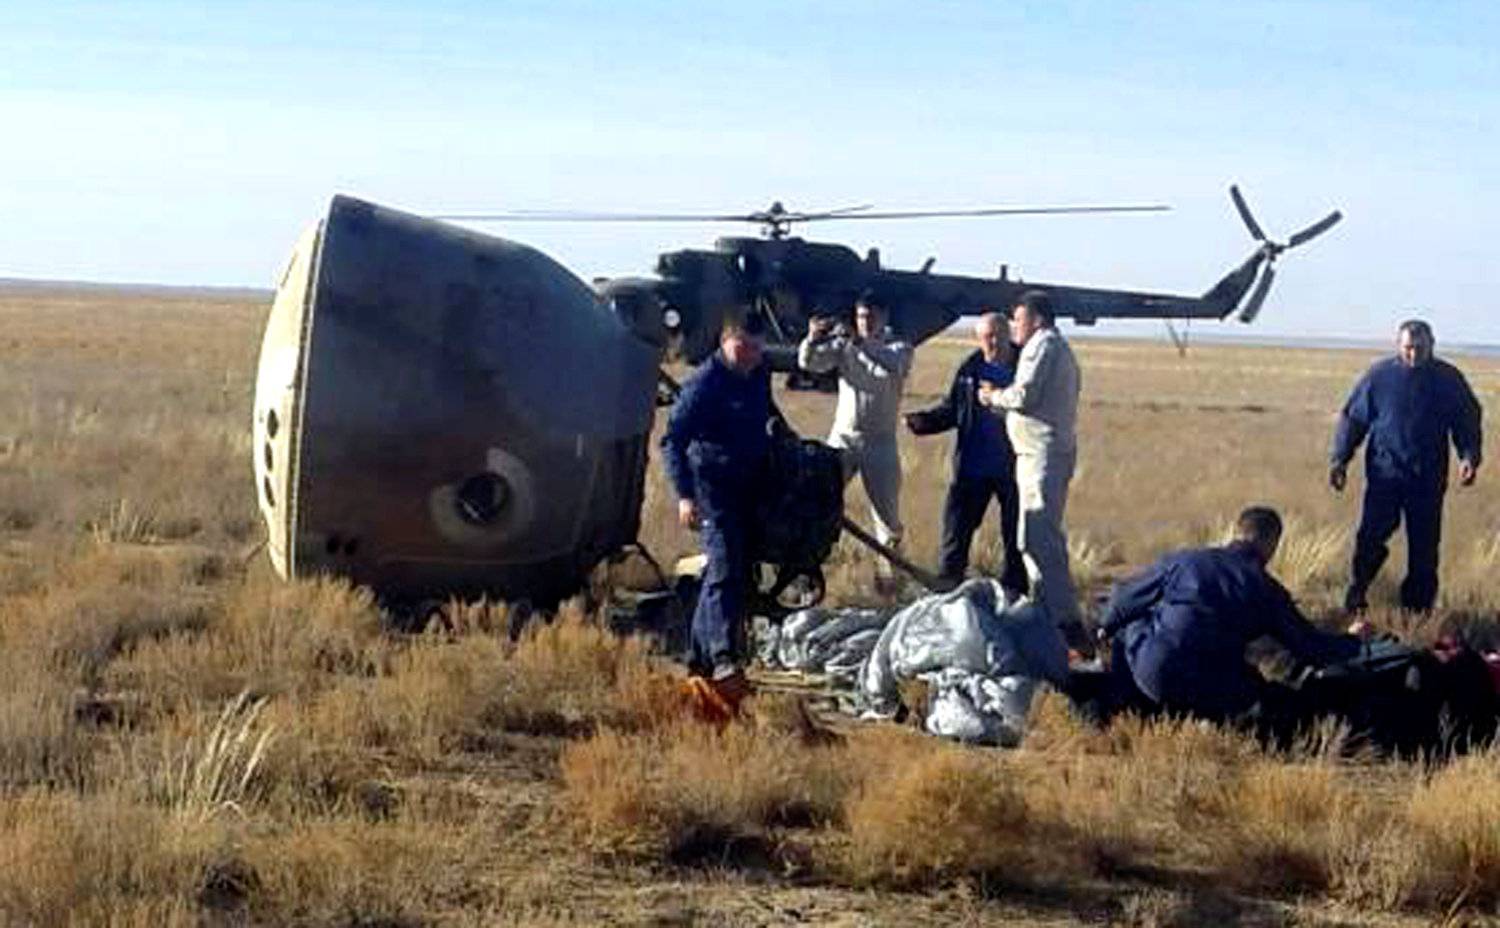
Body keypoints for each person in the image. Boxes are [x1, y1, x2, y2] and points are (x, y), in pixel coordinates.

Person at [1096, 506, 1362, 739]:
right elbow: (1310, 648)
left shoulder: (1185, 561)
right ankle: (1215, 724)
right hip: (1212, 688)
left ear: (1235, 532)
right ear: (1272, 544)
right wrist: (1353, 640)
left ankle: (1122, 712)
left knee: (1133, 623)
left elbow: (1123, 599)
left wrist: (1102, 629)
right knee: (1252, 684)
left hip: (1153, 674)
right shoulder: (1268, 590)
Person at [661, 314, 781, 697]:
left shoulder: (759, 372)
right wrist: (684, 495)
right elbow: (672, 441)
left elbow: (768, 413)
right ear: (725, 342)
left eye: (757, 348)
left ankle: (697, 661)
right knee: (726, 566)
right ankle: (724, 656)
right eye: (743, 348)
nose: (750, 356)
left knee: (727, 568)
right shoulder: (704, 385)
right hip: (712, 488)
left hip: (750, 484)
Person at [1330, 319, 1483, 613]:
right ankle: (1358, 591)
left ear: (1432, 345)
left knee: (1424, 550)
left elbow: (1467, 420)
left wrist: (1469, 456)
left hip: (1427, 478)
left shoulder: (1448, 380)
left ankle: (1416, 612)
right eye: (1408, 348)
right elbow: (1354, 419)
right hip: (1385, 475)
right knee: (1371, 537)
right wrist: (1340, 459)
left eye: (1420, 348)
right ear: (1399, 347)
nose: (1414, 354)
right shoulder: (1379, 377)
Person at [979, 291, 1084, 642]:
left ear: (1036, 318)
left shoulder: (1043, 345)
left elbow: (1025, 395)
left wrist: (994, 397)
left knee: (1041, 538)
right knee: (1032, 538)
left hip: (1042, 454)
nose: (1013, 327)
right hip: (1036, 453)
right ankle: (1045, 615)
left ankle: (1066, 622)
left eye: (1017, 319)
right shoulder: (1053, 347)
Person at [904, 310, 1028, 595]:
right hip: (972, 467)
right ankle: (947, 591)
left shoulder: (1027, 367)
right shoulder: (970, 369)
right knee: (956, 533)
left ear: (1008, 334)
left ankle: (1016, 596)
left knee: (1017, 538)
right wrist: (925, 422)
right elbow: (953, 410)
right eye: (986, 338)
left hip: (1015, 468)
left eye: (997, 335)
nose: (992, 343)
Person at [797, 292, 914, 553]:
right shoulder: (845, 346)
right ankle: (809, 561)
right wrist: (813, 338)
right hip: (844, 438)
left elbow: (893, 364)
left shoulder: (900, 348)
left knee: (887, 517)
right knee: (819, 500)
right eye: (861, 317)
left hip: (880, 443)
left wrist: (859, 342)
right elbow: (809, 363)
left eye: (872, 317)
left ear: (885, 317)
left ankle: (889, 574)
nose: (866, 322)